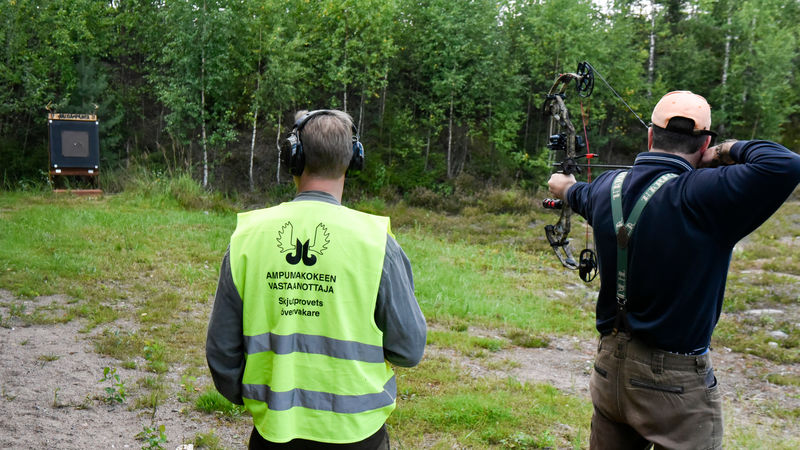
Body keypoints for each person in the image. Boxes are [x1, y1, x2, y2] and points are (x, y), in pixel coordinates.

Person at [548, 91, 800, 449]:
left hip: (610, 371)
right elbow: (784, 163)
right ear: (705, 144)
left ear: (650, 137)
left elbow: (573, 191)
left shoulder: (607, 188)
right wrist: (724, 152)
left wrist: (562, 185)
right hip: (676, 387)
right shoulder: (706, 194)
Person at [206, 109, 426, 449]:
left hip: (274, 433)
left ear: (294, 158)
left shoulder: (249, 237)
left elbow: (222, 351)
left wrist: (257, 398)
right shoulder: (376, 242)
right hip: (359, 436)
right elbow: (409, 349)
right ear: (353, 160)